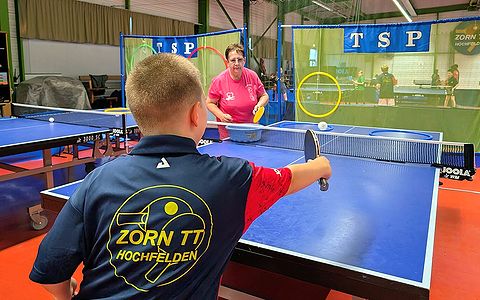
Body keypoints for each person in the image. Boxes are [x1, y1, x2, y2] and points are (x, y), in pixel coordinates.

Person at [29, 53, 332, 299]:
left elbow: (49, 270)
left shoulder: (97, 181)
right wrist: (321, 165)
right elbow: (289, 178)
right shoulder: (234, 179)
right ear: (196, 115)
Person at [207, 43, 269, 138]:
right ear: (227, 62)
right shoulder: (219, 81)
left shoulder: (252, 76)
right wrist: (221, 115)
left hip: (251, 132)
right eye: (233, 60)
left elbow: (264, 96)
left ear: (244, 60)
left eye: (239, 59)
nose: (236, 63)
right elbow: (209, 103)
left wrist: (259, 105)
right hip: (229, 134)